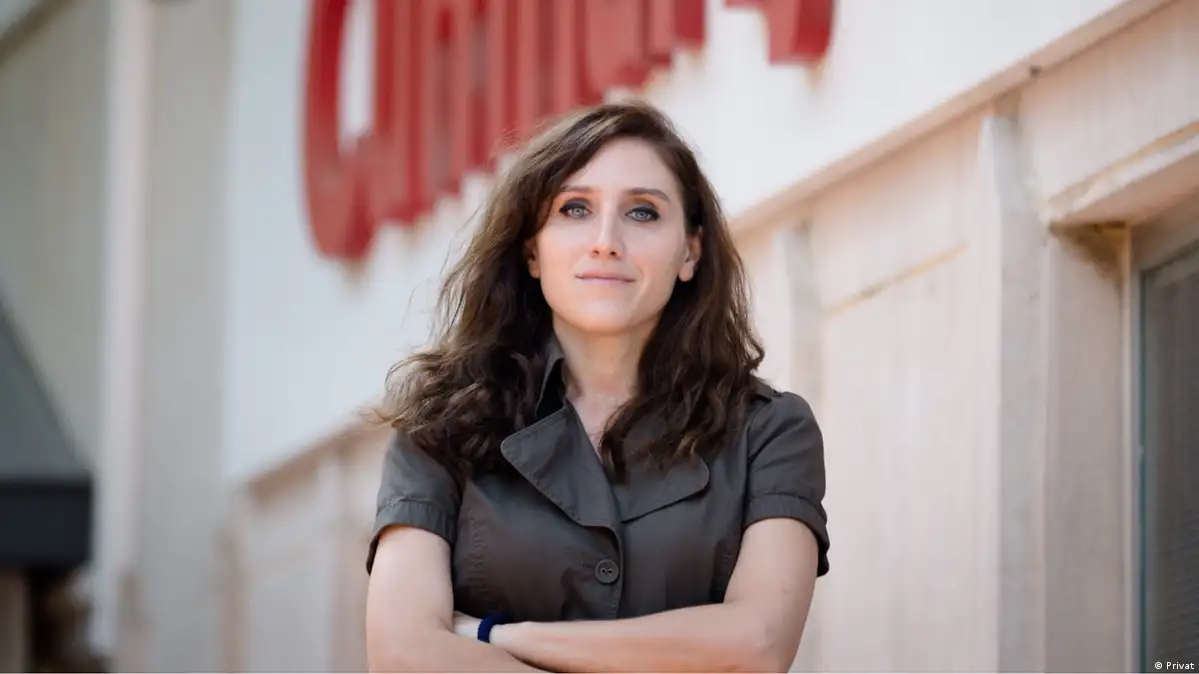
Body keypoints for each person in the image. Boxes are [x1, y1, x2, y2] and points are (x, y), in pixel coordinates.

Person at [363, 101, 830, 673]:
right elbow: (403, 655)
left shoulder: (770, 431)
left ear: (690, 251)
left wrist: (496, 635)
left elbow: (755, 647)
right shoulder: (440, 427)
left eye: (642, 213)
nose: (606, 240)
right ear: (532, 249)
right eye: (575, 209)